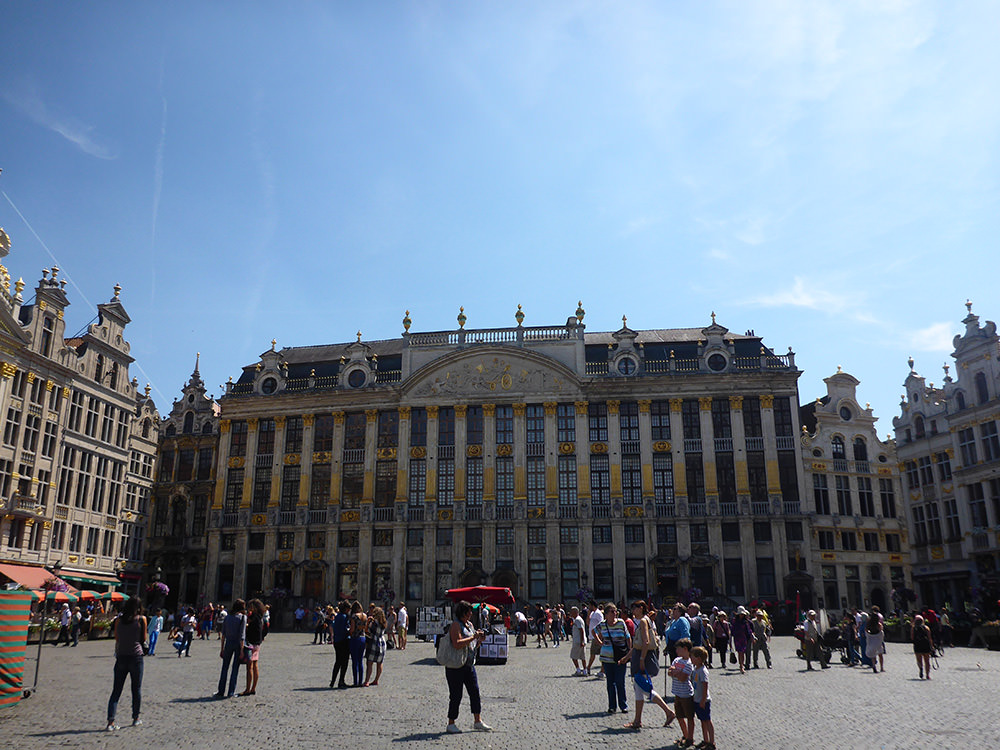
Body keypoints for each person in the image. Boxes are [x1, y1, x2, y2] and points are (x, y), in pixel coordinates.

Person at [623, 601, 674, 731]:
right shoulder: (645, 620)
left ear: (641, 609)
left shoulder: (643, 621)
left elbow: (645, 641)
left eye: (634, 608)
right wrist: (627, 657)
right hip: (640, 654)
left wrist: (641, 659)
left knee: (644, 688)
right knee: (638, 688)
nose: (632, 611)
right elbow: (637, 644)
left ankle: (668, 712)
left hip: (643, 656)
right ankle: (637, 720)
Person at [444, 601, 492, 733]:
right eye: (469, 611)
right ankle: (451, 723)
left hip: (469, 665)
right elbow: (457, 644)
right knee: (456, 695)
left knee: (475, 693)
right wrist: (473, 637)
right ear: (463, 612)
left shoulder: (469, 625)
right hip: (456, 666)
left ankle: (478, 721)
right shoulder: (455, 625)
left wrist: (479, 640)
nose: (471, 614)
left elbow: (472, 645)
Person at [105, 596, 146, 731]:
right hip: (136, 657)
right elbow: (143, 639)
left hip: (121, 657)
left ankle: (110, 722)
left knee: (116, 690)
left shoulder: (118, 620)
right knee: (136, 689)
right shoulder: (141, 619)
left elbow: (117, 638)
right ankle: (136, 718)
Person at [593, 603, 631, 714]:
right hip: (607, 658)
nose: (615, 613)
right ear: (606, 614)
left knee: (620, 682)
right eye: (612, 611)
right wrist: (599, 642)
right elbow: (593, 631)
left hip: (620, 657)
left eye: (615, 611)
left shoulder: (621, 623)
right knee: (610, 683)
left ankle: (623, 705)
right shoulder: (603, 624)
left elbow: (627, 637)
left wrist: (629, 650)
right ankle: (612, 706)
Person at [215, 599, 246, 698]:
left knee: (224, 668)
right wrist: (242, 650)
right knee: (235, 669)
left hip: (228, 644)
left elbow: (223, 634)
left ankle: (220, 691)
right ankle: (231, 692)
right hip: (237, 644)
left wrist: (222, 648)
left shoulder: (227, 617)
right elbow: (242, 636)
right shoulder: (242, 618)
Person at [667, 637, 695, 746]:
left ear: (685, 648)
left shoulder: (689, 663)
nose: (676, 651)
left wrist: (675, 672)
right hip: (677, 693)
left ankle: (690, 738)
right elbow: (670, 672)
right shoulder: (676, 660)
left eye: (678, 649)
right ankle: (686, 734)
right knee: (679, 716)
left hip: (686, 694)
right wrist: (677, 673)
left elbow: (683, 678)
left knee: (689, 717)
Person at [239, 599, 267, 696]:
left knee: (249, 667)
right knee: (255, 665)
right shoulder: (260, 617)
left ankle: (247, 689)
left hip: (251, 643)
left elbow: (247, 625)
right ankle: (253, 688)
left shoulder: (253, 616)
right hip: (257, 643)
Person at [690, 646, 715, 750]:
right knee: (702, 721)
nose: (691, 659)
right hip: (697, 699)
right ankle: (705, 740)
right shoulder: (695, 669)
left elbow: (705, 686)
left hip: (703, 700)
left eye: (692, 657)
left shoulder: (702, 671)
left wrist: (703, 699)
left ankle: (712, 742)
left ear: (699, 658)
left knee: (707, 720)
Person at [363, 606, 387, 687]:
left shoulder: (373, 623)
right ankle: (376, 680)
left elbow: (367, 631)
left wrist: (367, 622)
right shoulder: (383, 622)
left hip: (374, 642)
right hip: (382, 642)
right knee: (379, 662)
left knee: (369, 662)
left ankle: (366, 681)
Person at [330, 601, 351, 688]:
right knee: (344, 662)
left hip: (337, 641)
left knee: (338, 661)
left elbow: (334, 626)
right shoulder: (344, 617)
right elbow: (345, 629)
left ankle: (333, 680)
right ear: (346, 609)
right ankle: (341, 680)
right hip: (343, 641)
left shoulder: (338, 616)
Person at [348, 600, 367, 687]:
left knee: (354, 661)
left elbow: (352, 629)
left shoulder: (354, 617)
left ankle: (355, 681)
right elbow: (365, 628)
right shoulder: (365, 616)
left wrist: (349, 633)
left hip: (355, 638)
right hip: (363, 638)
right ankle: (361, 681)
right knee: (360, 661)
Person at [731, 607, 755, 674]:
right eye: (740, 614)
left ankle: (742, 665)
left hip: (744, 638)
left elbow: (748, 631)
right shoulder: (735, 621)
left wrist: (751, 637)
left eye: (742, 614)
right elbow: (732, 630)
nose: (741, 615)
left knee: (743, 652)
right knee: (739, 652)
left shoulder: (745, 622)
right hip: (737, 638)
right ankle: (741, 665)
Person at [912, 614, 934, 680]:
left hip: (917, 645)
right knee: (927, 661)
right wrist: (932, 646)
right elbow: (930, 638)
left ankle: (921, 668)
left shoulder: (913, 628)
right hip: (925, 645)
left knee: (919, 660)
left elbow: (912, 637)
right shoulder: (926, 628)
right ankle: (927, 675)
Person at [586, 601, 605, 676]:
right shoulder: (592, 613)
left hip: (597, 636)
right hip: (593, 636)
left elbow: (601, 624)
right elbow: (588, 623)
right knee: (594, 654)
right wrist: (588, 615)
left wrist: (599, 637)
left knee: (597, 654)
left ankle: (600, 670)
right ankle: (590, 668)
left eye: (589, 605)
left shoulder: (598, 613)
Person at [866, 606, 885, 674]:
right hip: (877, 639)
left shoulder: (869, 623)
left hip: (871, 638)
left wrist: (869, 634)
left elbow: (866, 630)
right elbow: (881, 630)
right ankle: (881, 667)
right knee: (880, 654)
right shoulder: (878, 624)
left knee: (873, 654)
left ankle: (874, 665)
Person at [569, 606, 587, 675]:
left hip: (578, 640)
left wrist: (581, 641)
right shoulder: (578, 619)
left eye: (572, 612)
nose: (570, 613)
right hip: (581, 640)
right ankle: (585, 671)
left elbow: (581, 630)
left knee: (573, 656)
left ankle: (578, 670)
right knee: (583, 656)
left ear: (575, 612)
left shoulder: (577, 620)